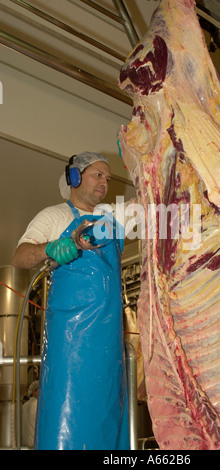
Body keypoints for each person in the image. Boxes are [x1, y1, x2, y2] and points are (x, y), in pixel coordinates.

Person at [12, 151, 130, 450]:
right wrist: (51, 248)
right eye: (97, 175)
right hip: (70, 338)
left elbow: (150, 208)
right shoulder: (54, 216)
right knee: (66, 410)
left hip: (109, 338)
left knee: (108, 412)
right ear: (75, 177)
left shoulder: (112, 220)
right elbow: (20, 256)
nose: (105, 182)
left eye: (108, 177)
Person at [22, 381, 39, 448]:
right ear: (33, 392)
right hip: (35, 445)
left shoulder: (24, 405)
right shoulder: (38, 405)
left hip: (24, 446)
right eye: (38, 390)